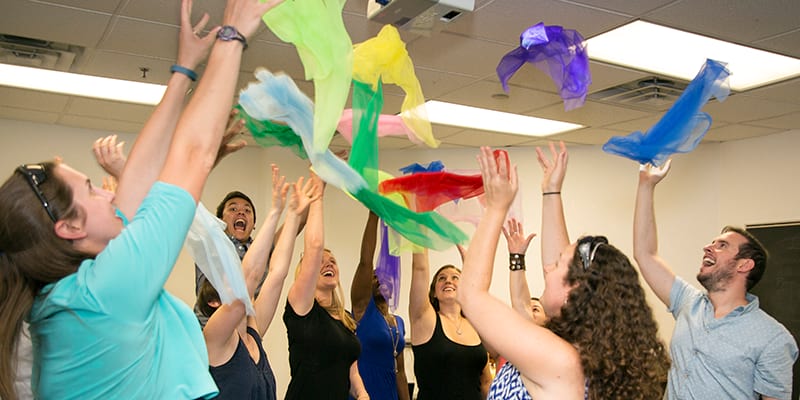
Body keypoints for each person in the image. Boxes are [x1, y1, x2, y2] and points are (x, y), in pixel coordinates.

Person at [0, 0, 283, 398]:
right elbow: (190, 157)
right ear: (69, 227)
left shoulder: (69, 293)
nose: (106, 190)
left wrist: (184, 70)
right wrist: (231, 35)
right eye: (90, 189)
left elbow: (136, 182)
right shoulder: (104, 291)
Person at [458, 145, 670, 400]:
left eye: (557, 265)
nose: (547, 267)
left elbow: (470, 295)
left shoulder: (559, 360)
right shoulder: (583, 349)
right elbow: (565, 262)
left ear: (576, 291)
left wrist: (495, 207)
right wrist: (551, 191)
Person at [634, 160, 798, 400]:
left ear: (744, 265)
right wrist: (646, 186)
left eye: (722, 246)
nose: (708, 248)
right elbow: (645, 254)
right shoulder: (689, 303)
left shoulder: (773, 338)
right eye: (712, 243)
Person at [199, 165, 317, 400]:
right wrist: (275, 211)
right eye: (231, 281)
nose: (245, 287)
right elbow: (249, 278)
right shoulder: (215, 338)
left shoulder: (253, 331)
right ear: (214, 302)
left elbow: (276, 274)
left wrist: (293, 214)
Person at [282, 173, 370, 400]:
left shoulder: (346, 319)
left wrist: (361, 394)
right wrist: (318, 194)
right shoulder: (302, 307)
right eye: (319, 261)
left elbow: (351, 369)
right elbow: (313, 246)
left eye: (332, 261)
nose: (327, 262)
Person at [410, 245, 493, 399]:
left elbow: (486, 382)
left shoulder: (475, 325)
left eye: (455, 278)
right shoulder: (424, 319)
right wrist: (420, 227)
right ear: (434, 292)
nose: (448, 281)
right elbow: (419, 269)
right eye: (442, 278)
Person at [350, 211, 410, 400]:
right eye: (374, 277)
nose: (380, 279)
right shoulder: (362, 310)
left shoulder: (399, 323)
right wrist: (373, 216)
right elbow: (365, 262)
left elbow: (400, 372)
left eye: (385, 276)